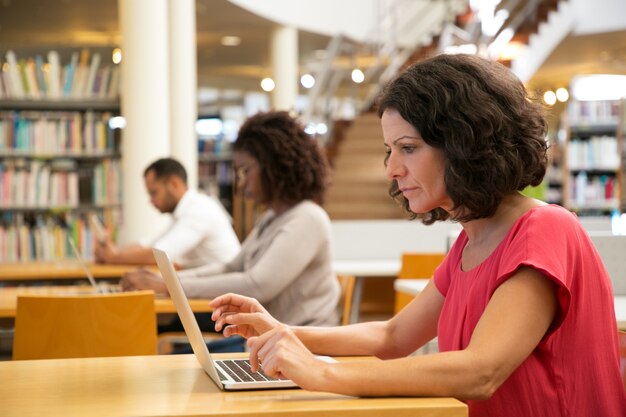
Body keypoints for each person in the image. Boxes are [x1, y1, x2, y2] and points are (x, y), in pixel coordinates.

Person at [208, 54, 626, 416]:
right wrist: (281, 331)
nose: (392, 169)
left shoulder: (546, 229)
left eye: (408, 148)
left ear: (466, 144)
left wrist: (323, 372)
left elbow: (481, 371)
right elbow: (393, 337)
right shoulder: (472, 241)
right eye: (390, 151)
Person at [121, 111, 341, 328]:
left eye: (245, 171)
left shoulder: (307, 218)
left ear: (273, 166)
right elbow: (231, 267)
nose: (242, 184)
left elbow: (256, 285)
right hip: (270, 344)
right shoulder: (273, 218)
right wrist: (165, 280)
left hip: (304, 349)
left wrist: (168, 284)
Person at [94, 157, 240, 269]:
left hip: (225, 297)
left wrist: (114, 257)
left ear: (173, 184)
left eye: (154, 193)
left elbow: (160, 255)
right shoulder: (183, 212)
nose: (151, 201)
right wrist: (114, 252)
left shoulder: (199, 210)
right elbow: (146, 244)